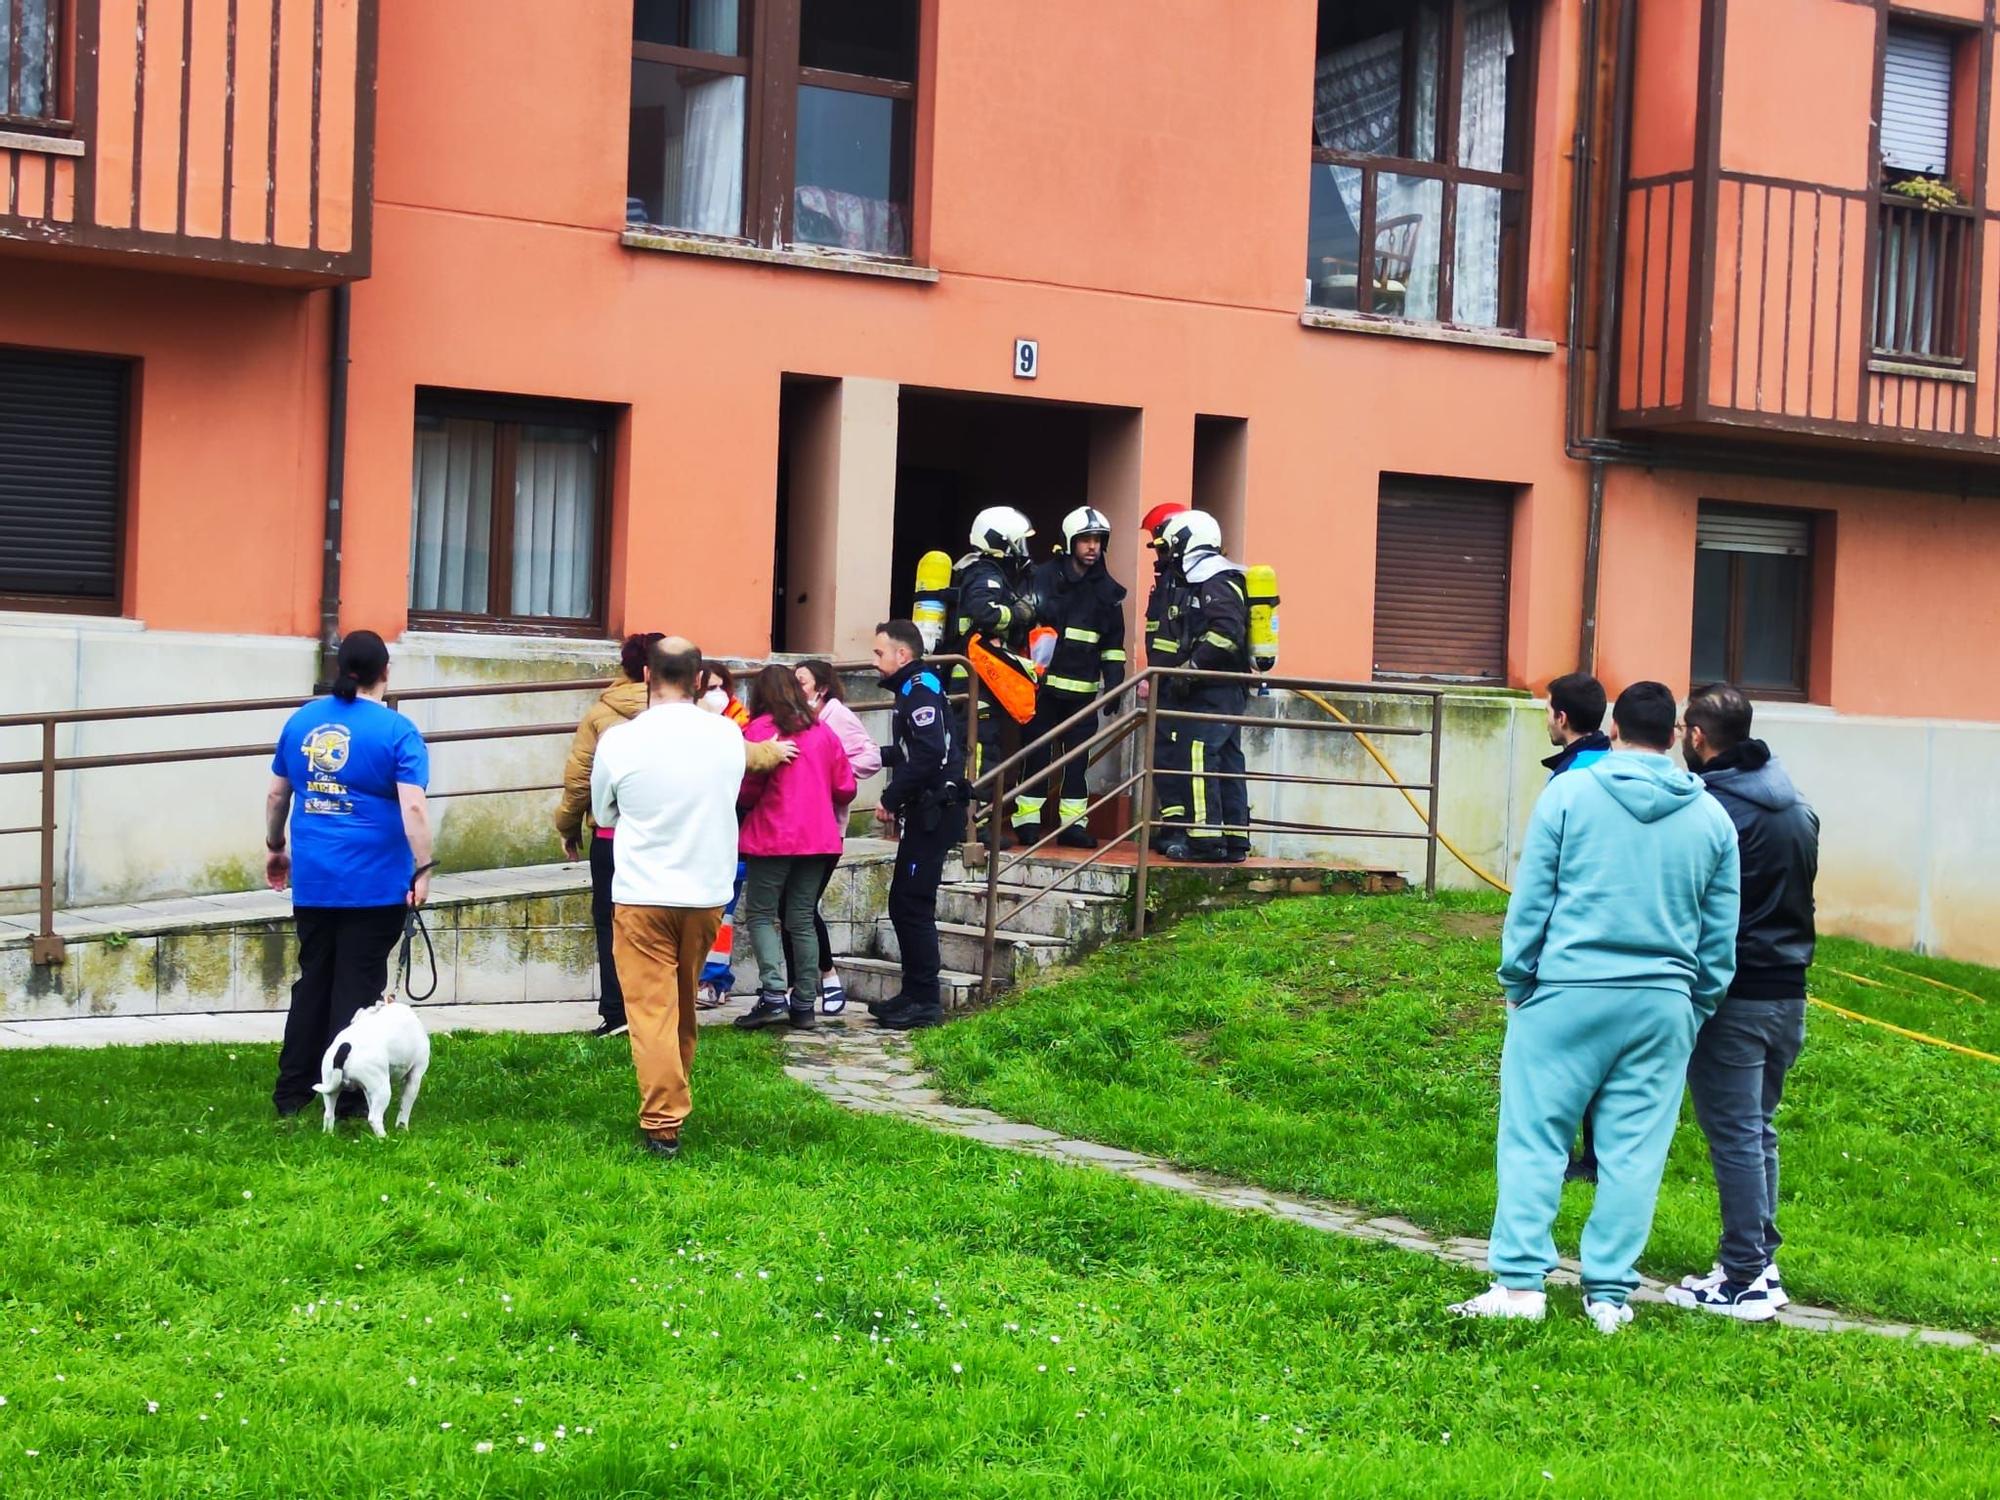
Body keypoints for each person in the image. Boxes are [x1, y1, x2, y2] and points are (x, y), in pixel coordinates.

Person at [1453, 681, 1740, 1334]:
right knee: (1634, 1153)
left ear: (1612, 730)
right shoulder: (1712, 819)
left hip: (1566, 992)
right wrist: (1694, 1005)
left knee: (1534, 1137)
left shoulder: (1568, 795)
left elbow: (1533, 899)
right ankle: (1608, 1296)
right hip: (1662, 1004)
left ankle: (1520, 1284)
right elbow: (1720, 937)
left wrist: (1517, 978)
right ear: (1674, 736)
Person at [1666, 683, 1820, 1321]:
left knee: (1734, 1135)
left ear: (1697, 737)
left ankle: (1742, 1279)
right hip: (1789, 992)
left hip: (1737, 995)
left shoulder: (1713, 809)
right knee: (1758, 1131)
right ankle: (1761, 1263)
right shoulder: (1797, 806)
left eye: (1683, 732)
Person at [264, 630, 433, 1120]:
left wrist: (277, 847)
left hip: (315, 879)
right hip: (374, 883)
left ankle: (294, 1087)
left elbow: (278, 796)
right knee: (358, 990)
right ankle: (351, 1091)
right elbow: (414, 809)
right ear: (386, 672)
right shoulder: (397, 731)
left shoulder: (302, 721)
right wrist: (422, 868)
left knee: (313, 980)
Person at [590, 636, 746, 1160]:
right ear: (700, 678)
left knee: (652, 1010)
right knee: (679, 1003)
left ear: (646, 678)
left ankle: (663, 1123)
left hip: (643, 890)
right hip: (705, 892)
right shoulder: (726, 735)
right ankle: (673, 1096)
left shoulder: (619, 740)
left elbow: (604, 815)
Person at [733, 666, 858, 1031]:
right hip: (818, 838)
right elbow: (846, 789)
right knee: (801, 918)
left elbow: (747, 789)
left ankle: (773, 995)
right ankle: (804, 1004)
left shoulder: (759, 730)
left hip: (773, 836)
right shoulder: (822, 731)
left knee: (760, 914)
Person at [553, 631, 662, 1038]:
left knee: (610, 923)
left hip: (611, 837)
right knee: (660, 921)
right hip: (663, 836)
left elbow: (580, 778)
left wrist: (568, 826)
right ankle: (657, 1011)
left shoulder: (602, 714)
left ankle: (616, 1011)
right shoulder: (689, 713)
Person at [869, 620, 966, 1031]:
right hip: (926, 808)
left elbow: (928, 755)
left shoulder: (920, 687)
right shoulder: (912, 689)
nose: (874, 660)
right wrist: (869, 755)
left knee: (912, 903)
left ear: (902, 655)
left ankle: (925, 1001)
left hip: (935, 809)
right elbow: (913, 749)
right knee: (903, 902)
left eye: (879, 653)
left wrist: (890, 799)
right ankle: (913, 993)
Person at [1012, 506, 1127, 849]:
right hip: (1041, 689)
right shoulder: (1041, 579)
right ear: (1069, 542)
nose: (1092, 547)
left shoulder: (1107, 591)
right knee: (1035, 755)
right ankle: (1027, 821)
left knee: (1076, 763)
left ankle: (1073, 825)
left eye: (1097, 541)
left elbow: (1113, 643)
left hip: (1083, 694)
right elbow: (1021, 629)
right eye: (1085, 540)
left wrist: (1115, 680)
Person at [1541, 670, 1612, 1182]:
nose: (1546, 718)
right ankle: (1596, 1156)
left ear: (1562, 718)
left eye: (1547, 710)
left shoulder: (1573, 778)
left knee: (1567, 1057)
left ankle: (1573, 1158)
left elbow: (1556, 864)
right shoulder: (1607, 762)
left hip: (1575, 935)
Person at [1152, 510, 1251, 863]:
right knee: (1225, 759)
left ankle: (1205, 842)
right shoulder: (1212, 577)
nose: (1172, 553)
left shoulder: (1215, 579)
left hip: (1216, 688)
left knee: (1197, 753)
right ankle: (1235, 839)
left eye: (1175, 545)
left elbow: (1226, 634)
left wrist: (1190, 668)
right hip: (1217, 687)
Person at [794, 660, 884, 1012]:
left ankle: (828, 976)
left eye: (802, 682)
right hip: (795, 826)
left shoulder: (836, 716)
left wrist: (832, 773)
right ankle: (798, 985)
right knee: (790, 907)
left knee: (801, 907)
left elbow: (871, 757)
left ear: (822, 687)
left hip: (827, 828)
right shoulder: (792, 718)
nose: (796, 688)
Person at [945, 505, 1037, 843]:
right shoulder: (984, 573)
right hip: (973, 678)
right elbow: (985, 614)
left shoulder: (987, 572)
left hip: (980, 677)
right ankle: (973, 825)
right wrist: (1018, 613)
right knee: (979, 747)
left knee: (983, 745)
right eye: (1018, 543)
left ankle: (971, 821)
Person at [1139, 501, 1190, 848]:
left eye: (1159, 542)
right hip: (1164, 680)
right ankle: (1170, 825)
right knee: (1164, 756)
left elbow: (1176, 636)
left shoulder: (1184, 578)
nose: (1157, 551)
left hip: (1177, 683)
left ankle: (1179, 828)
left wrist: (1166, 673)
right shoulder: (1169, 578)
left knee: (1176, 756)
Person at [1543, 672, 1612, 779]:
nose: (1546, 721)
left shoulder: (1565, 778)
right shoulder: (1616, 763)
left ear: (1561, 718)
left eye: (1548, 712)